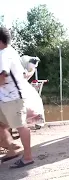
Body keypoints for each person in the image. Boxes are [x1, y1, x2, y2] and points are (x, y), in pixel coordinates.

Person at [0, 27, 34, 168]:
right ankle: (12, 148)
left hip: (13, 98)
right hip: (6, 99)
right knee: (1, 125)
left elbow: (2, 76)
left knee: (21, 126)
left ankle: (27, 157)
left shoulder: (4, 54)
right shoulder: (10, 52)